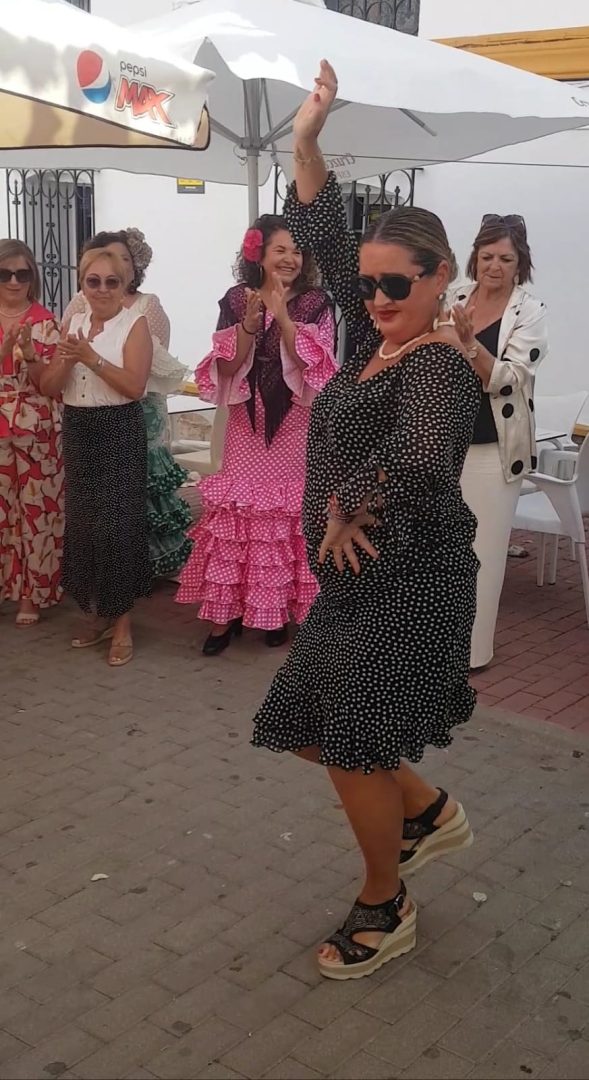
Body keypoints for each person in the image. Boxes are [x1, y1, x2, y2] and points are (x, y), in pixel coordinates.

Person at [251, 61, 480, 981]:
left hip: (412, 585)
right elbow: (316, 225)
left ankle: (386, 901)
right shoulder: (375, 339)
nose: (378, 299)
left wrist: (347, 501)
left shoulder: (436, 365)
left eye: (397, 285)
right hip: (354, 586)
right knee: (303, 721)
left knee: (350, 745)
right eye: (369, 284)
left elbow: (421, 458)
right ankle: (423, 809)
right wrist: (305, 139)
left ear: (439, 277)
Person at [176, 215, 337, 654]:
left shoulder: (316, 303)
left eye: (297, 251)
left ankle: (276, 611)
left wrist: (282, 316)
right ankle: (224, 617)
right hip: (245, 422)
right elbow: (227, 366)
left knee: (283, 520)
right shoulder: (236, 298)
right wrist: (249, 325)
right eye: (281, 249)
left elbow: (313, 366)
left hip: (294, 423)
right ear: (259, 254)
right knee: (237, 516)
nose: (290, 259)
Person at [40, 249, 152, 666]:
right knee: (85, 524)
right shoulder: (74, 323)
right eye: (94, 281)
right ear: (82, 284)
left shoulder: (134, 324)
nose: (102, 290)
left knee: (118, 525)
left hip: (118, 427)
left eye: (111, 282)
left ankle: (123, 623)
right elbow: (50, 386)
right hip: (79, 426)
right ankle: (98, 612)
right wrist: (66, 362)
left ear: (124, 286)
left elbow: (135, 386)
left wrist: (92, 359)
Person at [62, 229, 192, 579]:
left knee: (143, 489)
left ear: (133, 267)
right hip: (89, 410)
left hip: (140, 407)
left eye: (123, 259)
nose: (113, 268)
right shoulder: (79, 306)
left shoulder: (147, 306)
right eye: (106, 258)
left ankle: (148, 565)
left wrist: (101, 354)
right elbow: (65, 351)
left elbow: (150, 362)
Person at [451, 216, 548, 670]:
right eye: (487, 256)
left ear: (519, 263)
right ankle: (438, 647)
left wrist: (470, 345)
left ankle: (472, 654)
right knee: (441, 552)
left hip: (493, 448)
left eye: (505, 259)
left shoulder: (530, 311)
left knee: (482, 554)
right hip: (446, 442)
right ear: (475, 257)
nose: (494, 266)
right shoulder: (455, 298)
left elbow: (510, 378)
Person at [0, 239, 63, 625]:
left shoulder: (45, 323)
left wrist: (30, 354)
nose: (13, 281)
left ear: (32, 278)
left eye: (22, 274)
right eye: (4, 273)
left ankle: (31, 594)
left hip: (36, 428)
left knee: (36, 513)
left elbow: (52, 384)